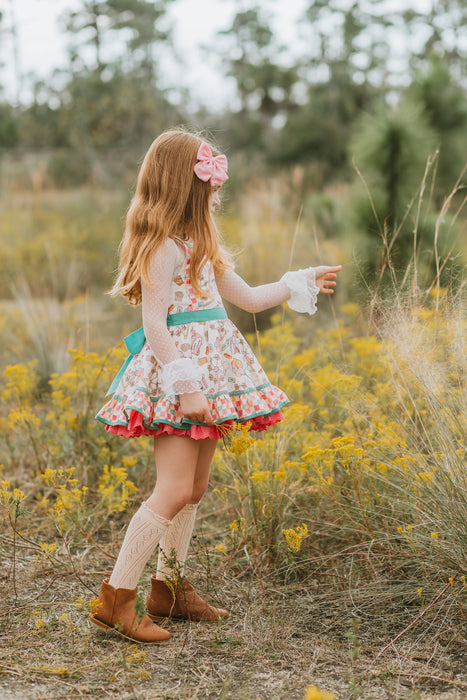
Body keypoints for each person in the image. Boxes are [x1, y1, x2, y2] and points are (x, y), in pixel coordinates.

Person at [92, 129, 342, 643]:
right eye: (206, 182)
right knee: (175, 487)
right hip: (181, 376)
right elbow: (156, 323)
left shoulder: (200, 243)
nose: (214, 191)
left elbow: (247, 298)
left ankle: (170, 589)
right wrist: (185, 383)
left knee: (196, 489)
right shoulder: (162, 248)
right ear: (185, 185)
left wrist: (299, 282)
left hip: (212, 375)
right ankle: (116, 598)